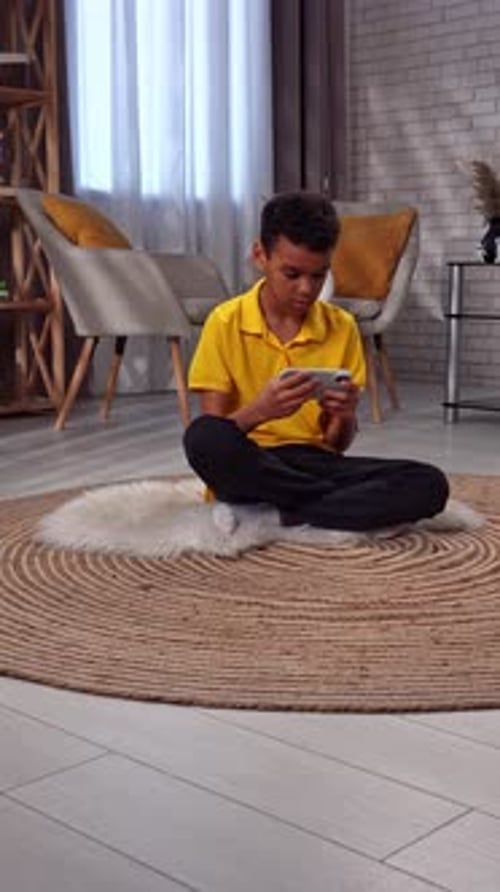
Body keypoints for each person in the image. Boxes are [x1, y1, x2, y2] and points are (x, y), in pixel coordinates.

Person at [183, 191, 449, 531]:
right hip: (250, 462)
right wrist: (261, 410)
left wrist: (344, 415)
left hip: (313, 464)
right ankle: (328, 507)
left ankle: (278, 513)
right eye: (292, 274)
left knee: (428, 483)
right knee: (201, 437)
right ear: (259, 256)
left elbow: (336, 446)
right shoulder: (224, 322)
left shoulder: (342, 327)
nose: (307, 289)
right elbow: (217, 432)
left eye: (318, 275)